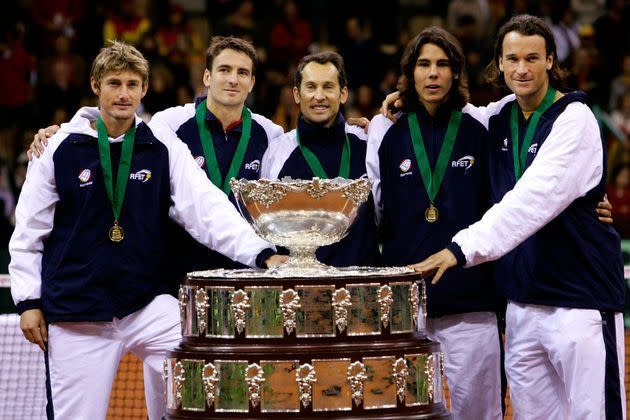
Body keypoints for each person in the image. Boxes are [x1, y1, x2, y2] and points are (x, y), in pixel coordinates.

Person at [9, 40, 283, 420]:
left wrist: (261, 252)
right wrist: (28, 301)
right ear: (95, 85)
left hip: (146, 305)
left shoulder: (160, 144)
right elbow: (29, 231)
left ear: (145, 89)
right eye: (115, 83)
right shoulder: (58, 147)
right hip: (78, 312)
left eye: (133, 84)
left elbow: (205, 207)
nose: (124, 94)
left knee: (202, 360)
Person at [410, 15, 626, 419]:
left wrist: (460, 248)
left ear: (550, 61)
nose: (522, 69)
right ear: (500, 63)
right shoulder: (498, 117)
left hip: (579, 300)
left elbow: (533, 199)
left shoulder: (574, 119)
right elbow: (445, 113)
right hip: (522, 304)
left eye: (532, 58)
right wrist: (391, 111)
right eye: (512, 58)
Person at [367, 27, 502, 420]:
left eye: (443, 65)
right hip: (407, 308)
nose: (433, 74)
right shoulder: (387, 135)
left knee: (479, 414)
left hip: (471, 305)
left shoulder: (479, 133)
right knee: (405, 414)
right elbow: (374, 211)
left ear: (456, 73)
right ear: (410, 73)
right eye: (423, 64)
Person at [261, 51, 380, 266]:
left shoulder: (367, 142)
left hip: (362, 285)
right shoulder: (278, 151)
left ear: (343, 94)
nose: (319, 96)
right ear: (297, 94)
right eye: (311, 86)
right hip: (299, 287)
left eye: (328, 86)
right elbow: (267, 227)